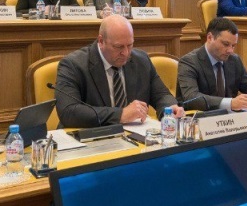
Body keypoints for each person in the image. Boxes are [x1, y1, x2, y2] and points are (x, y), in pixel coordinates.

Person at [54, 15, 182, 127]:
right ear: (101, 41)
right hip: (90, 139)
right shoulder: (73, 65)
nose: (125, 53)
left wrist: (170, 108)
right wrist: (120, 115)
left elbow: (161, 95)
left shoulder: (141, 60)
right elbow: (68, 112)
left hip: (134, 138)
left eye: (130, 45)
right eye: (118, 47)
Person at [177, 18, 247, 112]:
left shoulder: (234, 60)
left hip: (230, 117)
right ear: (210, 38)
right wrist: (230, 103)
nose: (230, 51)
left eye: (233, 45)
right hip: (199, 117)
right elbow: (192, 98)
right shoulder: (189, 62)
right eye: (226, 44)